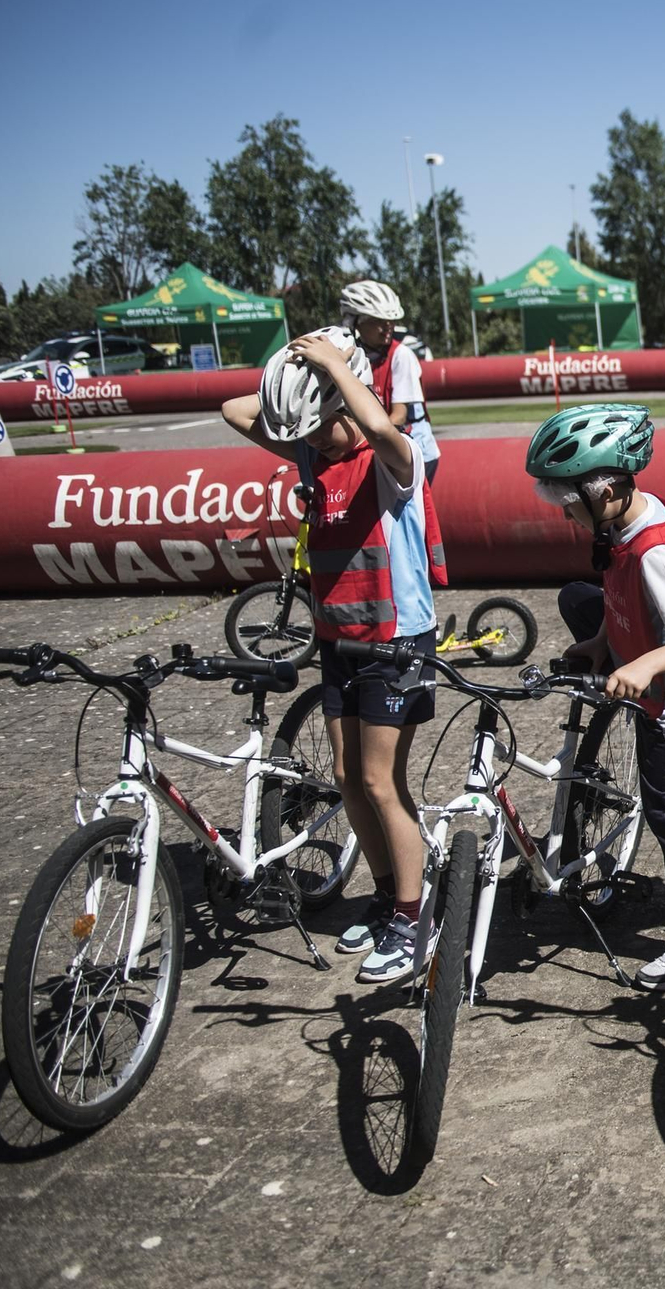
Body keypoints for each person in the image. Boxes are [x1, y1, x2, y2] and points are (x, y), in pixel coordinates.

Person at [221, 327, 448, 983]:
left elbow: (378, 427)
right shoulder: (312, 455)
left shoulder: (392, 458)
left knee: (382, 782)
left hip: (396, 642)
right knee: (349, 777)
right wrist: (289, 368)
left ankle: (415, 916)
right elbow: (236, 412)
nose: (313, 442)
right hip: (339, 638)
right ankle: (386, 897)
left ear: (345, 402)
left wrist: (336, 370)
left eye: (321, 427)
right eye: (305, 433)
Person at [526, 403, 665, 989]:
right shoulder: (623, 526)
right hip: (643, 661)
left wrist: (643, 664)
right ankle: (609, 659)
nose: (567, 514)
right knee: (576, 597)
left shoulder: (655, 552)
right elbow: (619, 596)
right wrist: (599, 642)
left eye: (572, 502)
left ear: (610, 490)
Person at [341, 280, 439, 486]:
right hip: (382, 448)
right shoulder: (352, 357)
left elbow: (399, 416)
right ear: (355, 321)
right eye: (378, 320)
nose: (388, 326)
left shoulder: (401, 355)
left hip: (414, 453)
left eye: (390, 320)